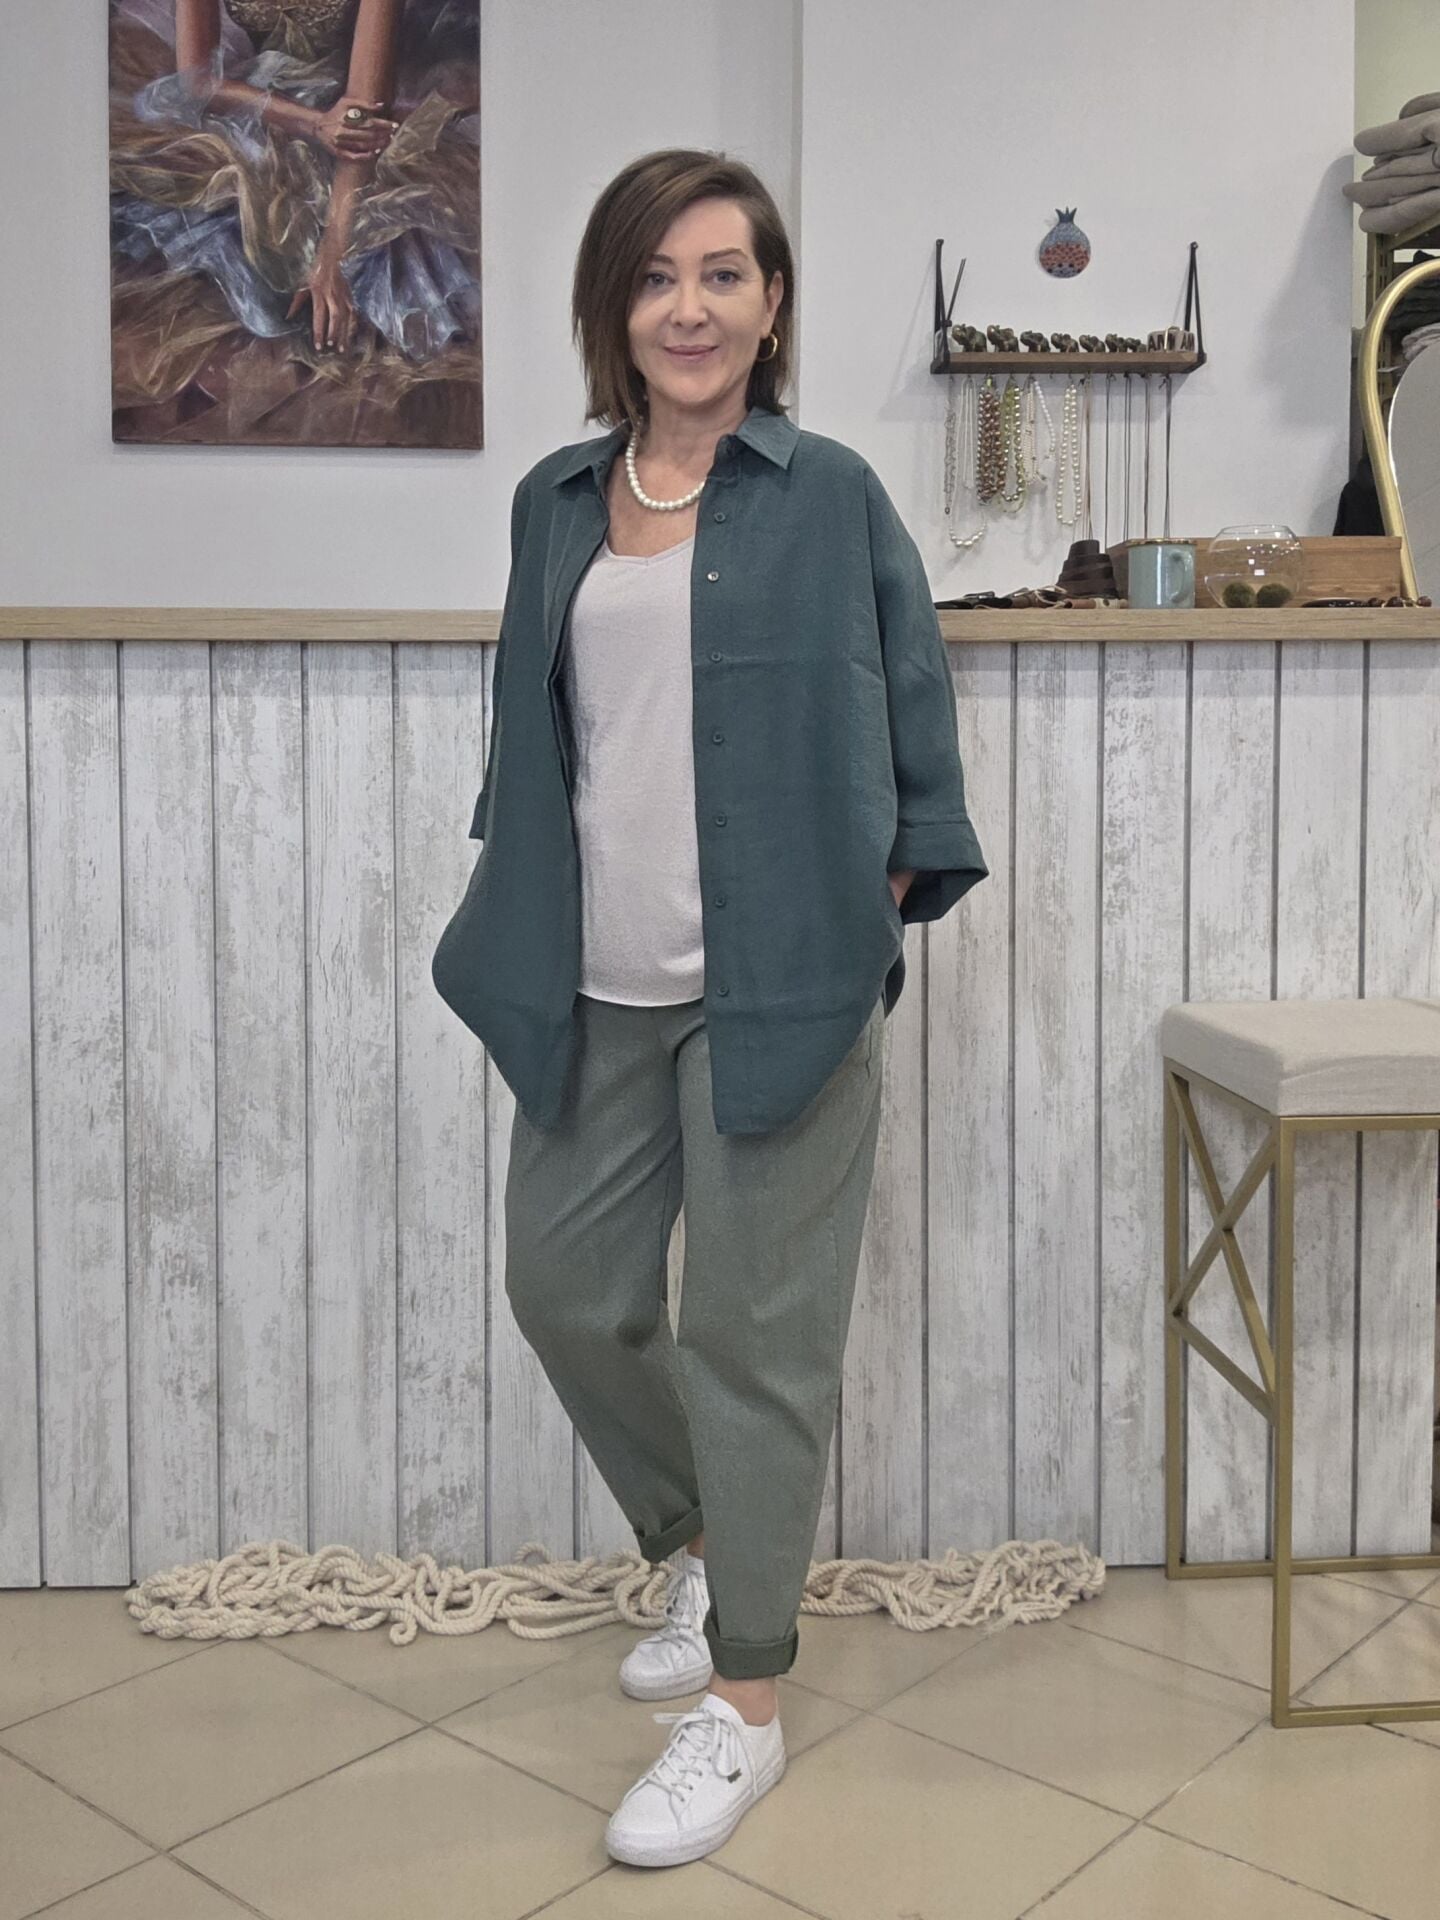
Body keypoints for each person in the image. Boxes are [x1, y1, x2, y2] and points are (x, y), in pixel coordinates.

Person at [430, 147, 987, 1869]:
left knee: (755, 1339)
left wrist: (889, 880)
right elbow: (539, 725)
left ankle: (744, 1699)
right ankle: (698, 1545)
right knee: (567, 1290)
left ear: (771, 304)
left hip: (783, 982)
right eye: (658, 276)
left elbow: (913, 699)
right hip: (592, 979)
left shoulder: (832, 496)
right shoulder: (553, 500)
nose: (691, 307)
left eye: (724, 273)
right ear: (614, 307)